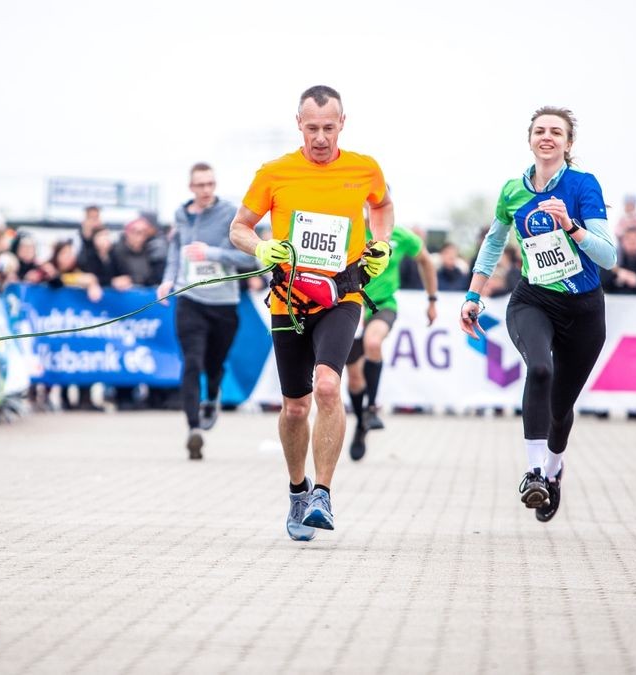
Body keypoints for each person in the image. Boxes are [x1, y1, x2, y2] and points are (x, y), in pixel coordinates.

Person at [228, 85, 393, 540]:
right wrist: (262, 246)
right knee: (296, 408)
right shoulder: (274, 172)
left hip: (343, 296)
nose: (320, 137)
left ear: (343, 123)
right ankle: (298, 490)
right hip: (289, 299)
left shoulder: (364, 168)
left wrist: (381, 243)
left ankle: (323, 492)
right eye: (312, 127)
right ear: (298, 124)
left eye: (329, 127)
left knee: (327, 385)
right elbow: (238, 228)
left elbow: (382, 207)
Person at [460, 106, 616, 524]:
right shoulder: (513, 190)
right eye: (540, 131)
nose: (547, 137)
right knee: (540, 371)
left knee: (562, 410)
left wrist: (572, 228)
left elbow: (609, 255)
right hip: (533, 300)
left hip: (583, 310)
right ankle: (532, 473)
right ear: (530, 139)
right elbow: (494, 244)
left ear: (568, 143)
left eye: (556, 132)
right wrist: (473, 296)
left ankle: (552, 473)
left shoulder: (583, 186)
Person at [158, 162, 257, 459]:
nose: (205, 190)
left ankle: (212, 397)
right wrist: (167, 281)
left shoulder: (231, 214)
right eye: (200, 185)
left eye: (210, 184)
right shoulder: (181, 215)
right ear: (191, 187)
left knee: (214, 365)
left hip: (224, 304)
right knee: (191, 362)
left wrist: (211, 253)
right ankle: (193, 430)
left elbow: (249, 260)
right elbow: (177, 252)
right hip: (190, 299)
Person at [345, 224, 437, 460]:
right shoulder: (349, 230)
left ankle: (373, 408)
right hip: (349, 306)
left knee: (373, 343)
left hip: (383, 304)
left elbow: (425, 261)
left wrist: (432, 299)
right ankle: (360, 425)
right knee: (354, 378)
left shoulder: (400, 236)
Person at [602, 227, 636, 294]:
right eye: (631, 242)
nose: (635, 246)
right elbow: (603, 283)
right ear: (623, 241)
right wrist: (618, 274)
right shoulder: (611, 260)